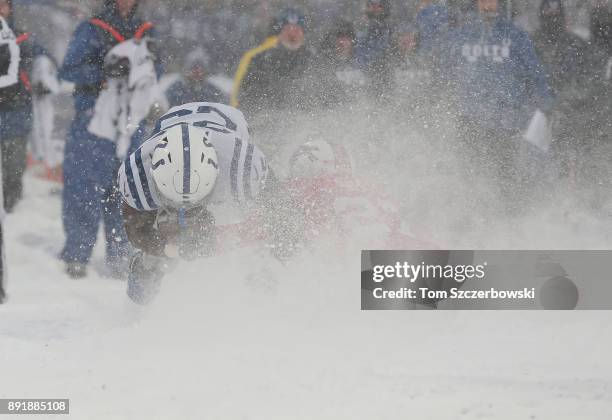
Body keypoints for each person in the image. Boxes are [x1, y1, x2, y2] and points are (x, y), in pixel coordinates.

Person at [118, 102, 268, 304]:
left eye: (194, 200)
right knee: (152, 259)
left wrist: (219, 241)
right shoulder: (137, 176)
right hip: (171, 133)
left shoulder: (243, 170)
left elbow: (273, 219)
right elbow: (136, 231)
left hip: (228, 132)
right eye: (174, 199)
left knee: (270, 245)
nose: (184, 207)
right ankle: (139, 304)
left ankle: (265, 297)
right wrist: (169, 249)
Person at [58, 0, 160, 279]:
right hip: (94, 124)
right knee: (84, 191)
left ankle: (122, 257)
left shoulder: (147, 31)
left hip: (132, 125)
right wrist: (104, 71)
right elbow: (68, 70)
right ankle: (78, 256)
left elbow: (156, 73)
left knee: (129, 192)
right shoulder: (91, 29)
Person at [447, 0, 552, 202]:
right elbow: (447, 70)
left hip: (504, 121)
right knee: (468, 172)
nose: (488, 5)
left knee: (503, 174)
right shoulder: (463, 35)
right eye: (483, 1)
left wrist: (547, 104)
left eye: (492, 1)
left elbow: (536, 74)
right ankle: (468, 214)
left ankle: (507, 217)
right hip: (469, 117)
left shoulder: (516, 36)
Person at [0, 0, 50, 212]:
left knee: (14, 168)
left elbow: (46, 62)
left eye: (3, 5)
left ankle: (12, 211)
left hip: (15, 115)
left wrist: (44, 77)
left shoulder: (23, 39)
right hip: (14, 112)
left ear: (10, 8)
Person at [231, 7, 313, 117]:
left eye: (297, 29)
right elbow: (244, 93)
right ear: (280, 32)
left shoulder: (313, 59)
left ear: (303, 33)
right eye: (288, 29)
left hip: (306, 121)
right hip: (269, 119)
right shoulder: (260, 59)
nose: (293, 33)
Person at [317, 20, 365, 106]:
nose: (341, 42)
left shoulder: (363, 62)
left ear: (352, 41)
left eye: (346, 37)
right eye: (338, 37)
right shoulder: (322, 66)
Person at [355, 0, 395, 100]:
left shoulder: (389, 26)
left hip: (382, 68)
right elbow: (359, 45)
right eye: (372, 5)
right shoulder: (360, 24)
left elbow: (390, 47)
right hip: (363, 67)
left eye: (379, 6)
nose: (375, 8)